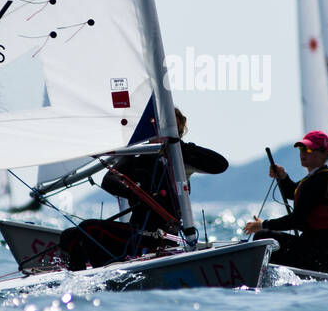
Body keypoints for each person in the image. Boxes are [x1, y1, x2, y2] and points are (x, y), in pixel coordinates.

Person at [59, 109, 228, 270]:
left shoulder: (180, 159)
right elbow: (108, 181)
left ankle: (104, 281)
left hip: (161, 237)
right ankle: (83, 280)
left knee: (89, 229)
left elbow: (220, 165)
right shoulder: (138, 155)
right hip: (137, 233)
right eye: (160, 127)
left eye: (170, 129)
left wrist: (178, 145)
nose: (162, 133)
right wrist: (135, 194)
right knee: (69, 235)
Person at [242, 130, 328, 273]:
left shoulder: (321, 181)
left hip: (318, 257)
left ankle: (253, 277)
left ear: (323, 154)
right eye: (301, 149)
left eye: (309, 149)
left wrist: (262, 225)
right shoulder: (317, 178)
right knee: (265, 235)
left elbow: (296, 220)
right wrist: (283, 177)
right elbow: (294, 193)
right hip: (321, 256)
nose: (303, 153)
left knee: (263, 237)